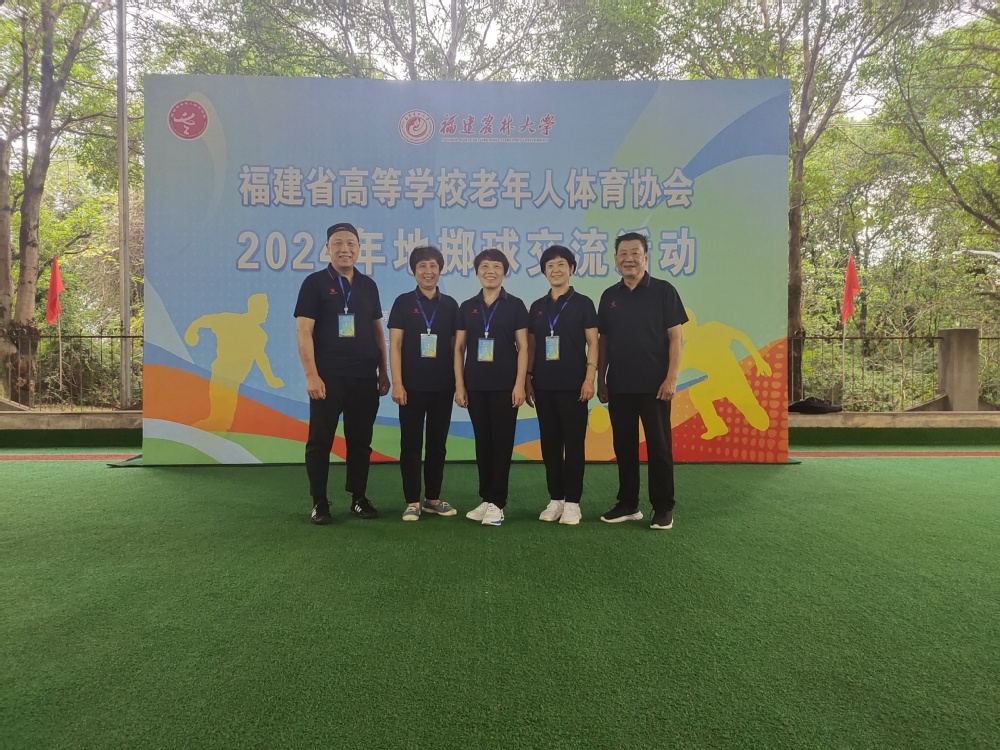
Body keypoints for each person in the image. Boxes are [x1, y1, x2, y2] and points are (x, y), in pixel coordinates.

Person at [294, 222, 390, 525]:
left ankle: (358, 498)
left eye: (350, 243)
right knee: (320, 441)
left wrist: (383, 371)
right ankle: (319, 502)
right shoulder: (314, 284)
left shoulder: (368, 285)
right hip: (328, 378)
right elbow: (303, 331)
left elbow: (377, 330)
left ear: (359, 248)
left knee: (360, 441)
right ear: (327, 248)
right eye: (337, 243)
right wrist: (311, 375)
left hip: (364, 377)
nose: (344, 249)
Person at [596, 232, 687, 530]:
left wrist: (671, 378)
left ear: (646, 257)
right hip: (619, 385)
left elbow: (676, 338)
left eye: (635, 253)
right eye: (623, 253)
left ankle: (662, 508)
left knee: (659, 448)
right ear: (615, 259)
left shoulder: (663, 291)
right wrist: (601, 379)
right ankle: (628, 504)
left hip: (655, 386)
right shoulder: (609, 297)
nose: (629, 259)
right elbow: (604, 341)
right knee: (624, 447)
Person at [454, 249, 529, 527]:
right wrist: (460, 385)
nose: (490, 271)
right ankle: (486, 498)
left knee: (501, 443)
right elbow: (459, 348)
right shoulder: (467, 307)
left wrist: (519, 384)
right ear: (477, 272)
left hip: (505, 386)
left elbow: (523, 348)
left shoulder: (515, 305)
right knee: (483, 443)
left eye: (496, 266)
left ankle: (498, 503)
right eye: (484, 266)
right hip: (475, 385)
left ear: (504, 272)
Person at [525, 245, 598, 525]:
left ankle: (573, 502)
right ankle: (556, 499)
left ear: (571, 269)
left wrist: (589, 378)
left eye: (561, 265)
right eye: (550, 266)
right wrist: (529, 377)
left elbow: (593, 343)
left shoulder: (583, 303)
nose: (556, 270)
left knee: (574, 444)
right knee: (550, 443)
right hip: (543, 385)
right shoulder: (538, 307)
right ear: (544, 272)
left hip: (574, 385)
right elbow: (532, 345)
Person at [387, 246, 460, 521]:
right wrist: (397, 383)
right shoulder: (403, 302)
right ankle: (412, 501)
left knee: (437, 445)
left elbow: (456, 349)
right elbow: (395, 346)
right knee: (411, 444)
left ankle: (433, 499)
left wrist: (459, 383)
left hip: (443, 386)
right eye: (422, 267)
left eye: (433, 266)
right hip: (411, 387)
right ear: (414, 271)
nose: (428, 272)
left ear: (440, 270)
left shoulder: (450, 305)